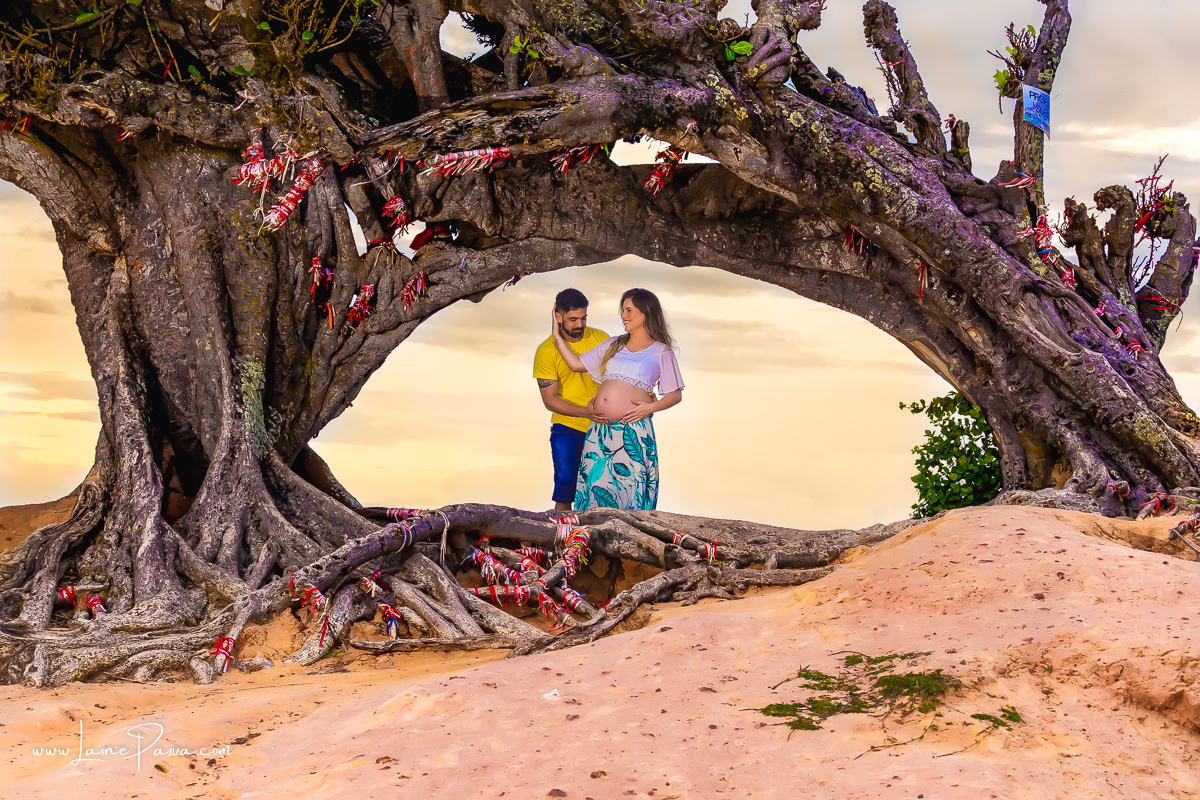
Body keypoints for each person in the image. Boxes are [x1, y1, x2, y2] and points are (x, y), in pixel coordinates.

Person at [551, 288, 684, 510]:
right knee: (594, 491)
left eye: (629, 310)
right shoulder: (614, 344)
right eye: (623, 310)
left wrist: (650, 407)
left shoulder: (661, 351)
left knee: (628, 492)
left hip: (633, 430)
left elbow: (675, 394)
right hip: (599, 431)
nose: (624, 315)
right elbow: (576, 365)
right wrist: (557, 338)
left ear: (646, 312)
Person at [533, 289, 609, 511]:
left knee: (604, 492)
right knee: (565, 493)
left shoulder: (600, 338)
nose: (579, 324)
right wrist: (585, 412)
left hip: (604, 427)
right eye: (573, 319)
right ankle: (562, 542)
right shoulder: (546, 351)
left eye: (583, 318)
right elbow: (550, 400)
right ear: (558, 316)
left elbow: (621, 375)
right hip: (568, 428)